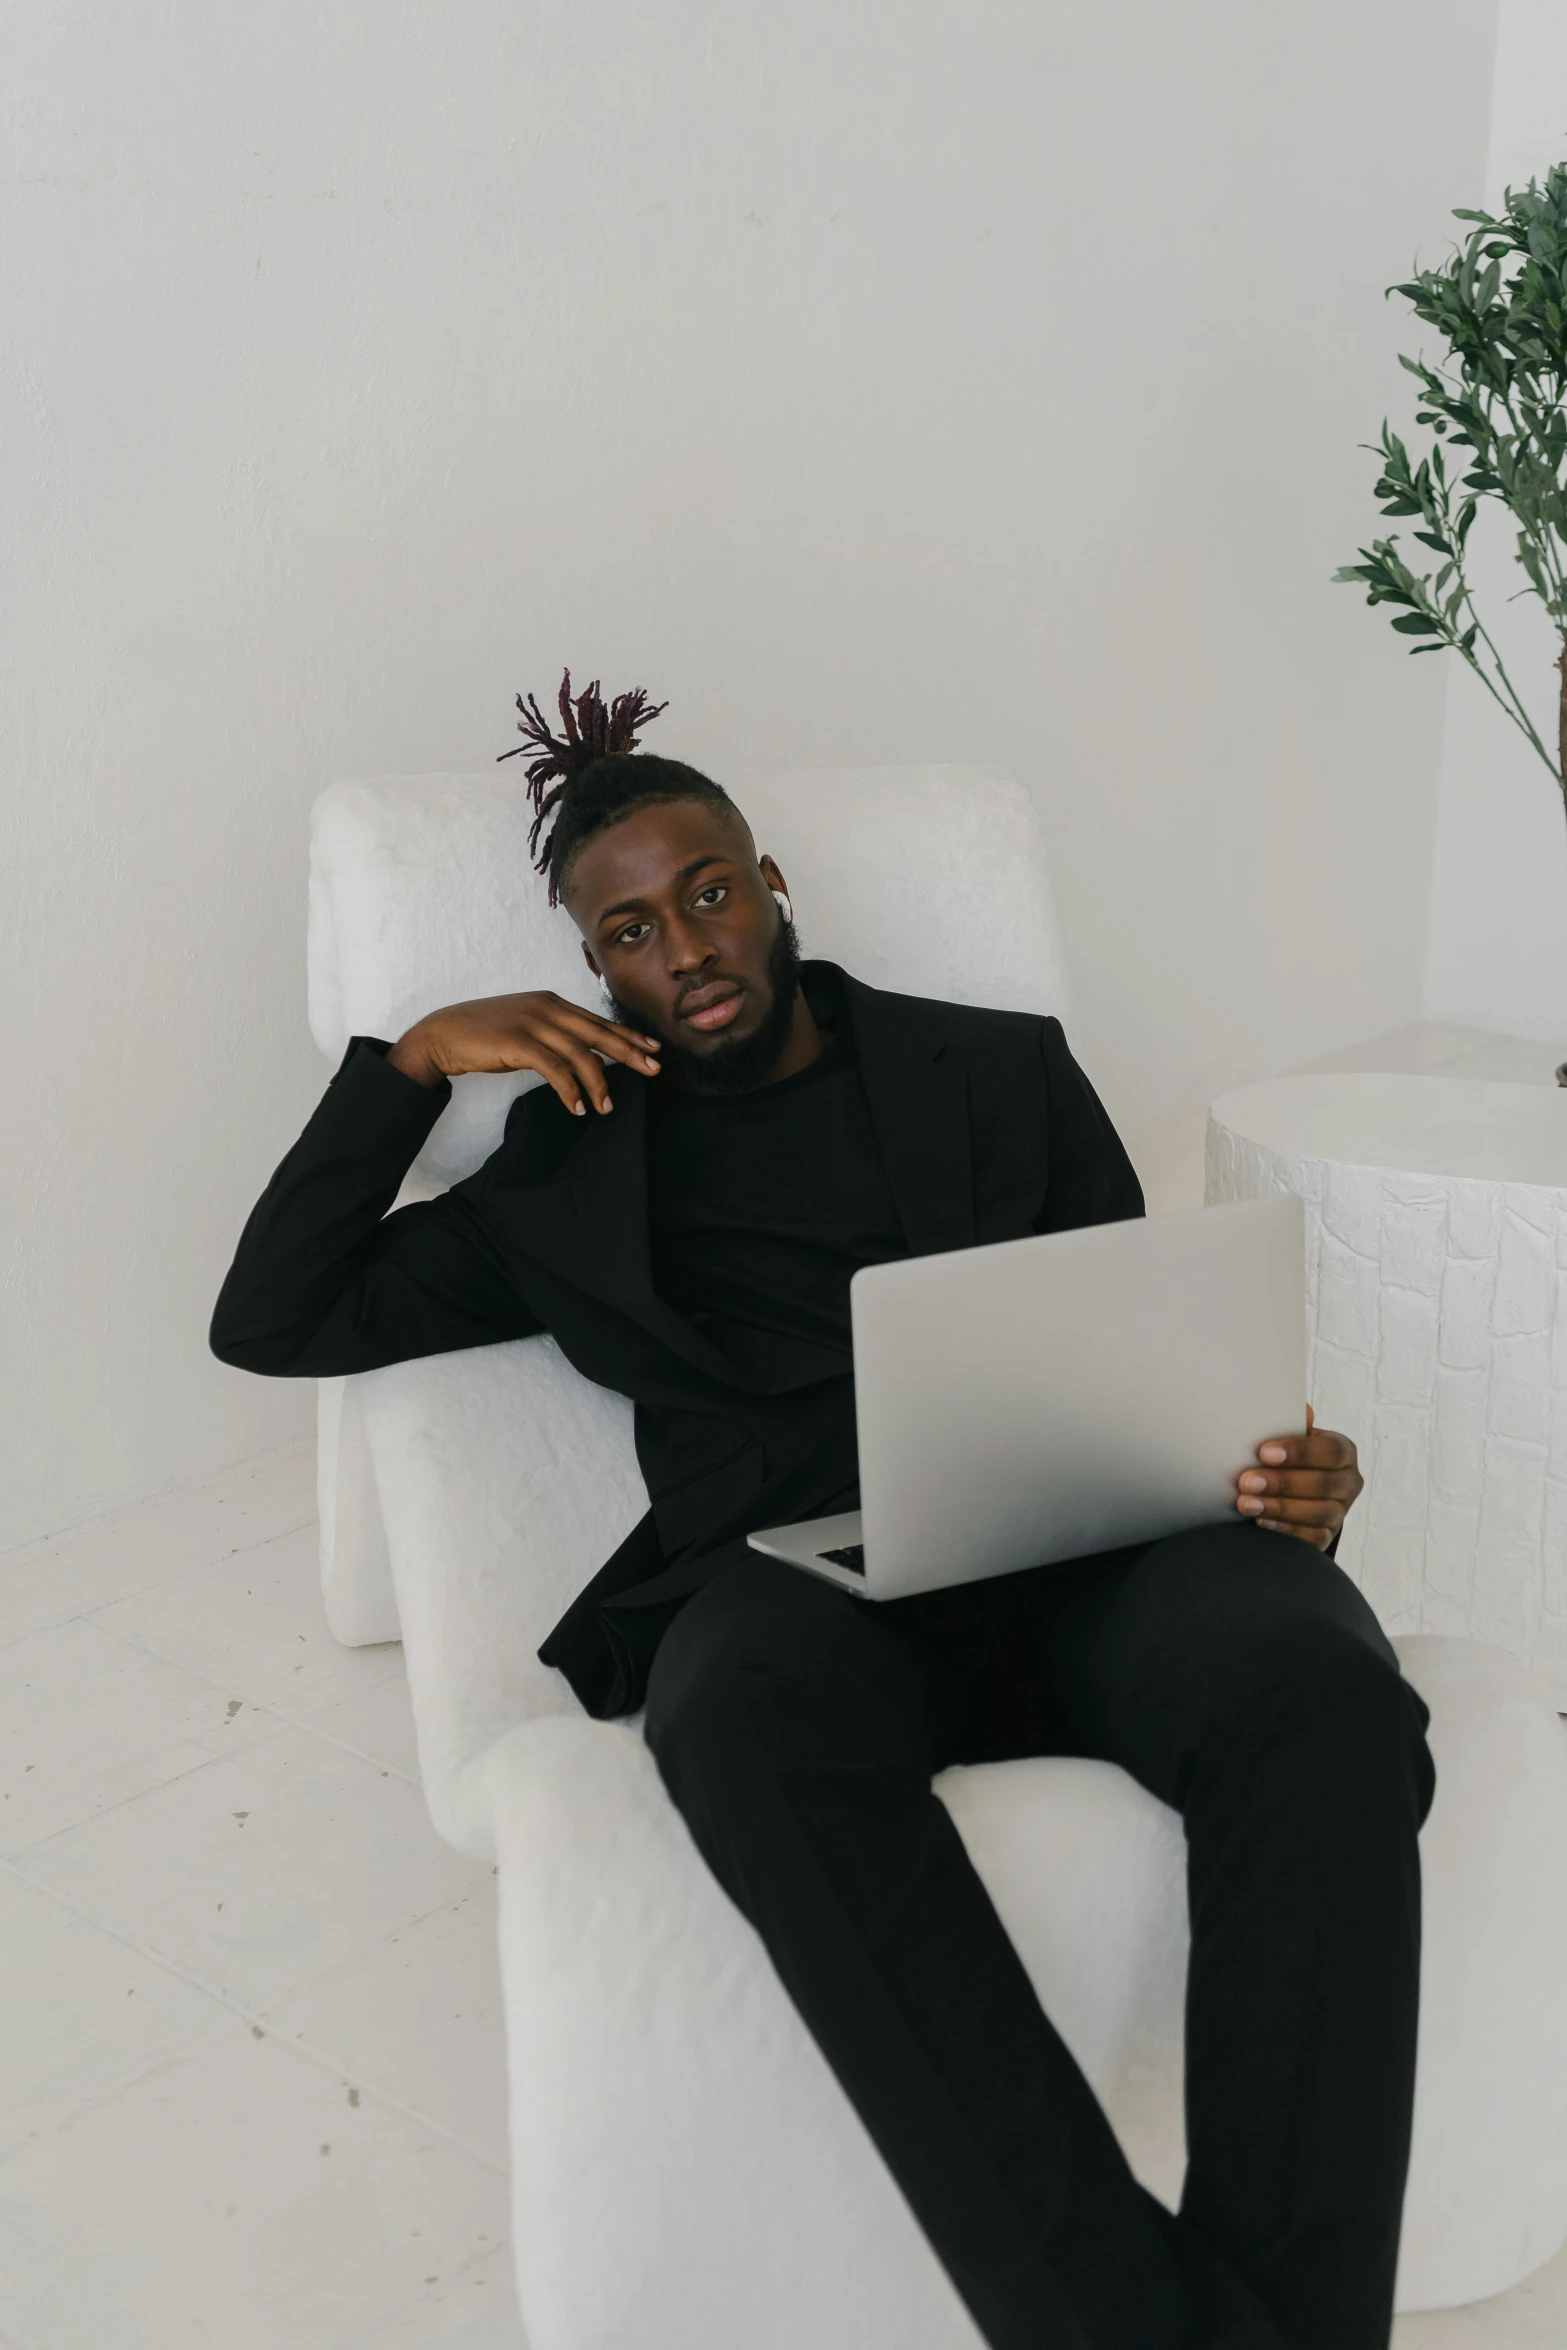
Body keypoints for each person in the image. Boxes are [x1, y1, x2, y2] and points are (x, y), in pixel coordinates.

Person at [211, 673, 1433, 2350]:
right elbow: (273, 1317)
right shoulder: (558, 1181)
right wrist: (413, 1061)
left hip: (1089, 1553)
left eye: (705, 893)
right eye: (629, 927)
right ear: (592, 966)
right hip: (795, 1589)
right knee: (731, 1719)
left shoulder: (998, 1070)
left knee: (1322, 1686)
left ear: (769, 882)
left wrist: (1282, 1475)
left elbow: (1149, 1348)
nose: (683, 946)